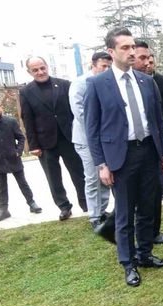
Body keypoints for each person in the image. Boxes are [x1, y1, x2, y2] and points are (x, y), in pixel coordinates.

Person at [85, 27, 163, 287]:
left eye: (133, 46)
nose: (132, 51)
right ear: (111, 52)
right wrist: (102, 164)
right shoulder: (98, 84)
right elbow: (93, 129)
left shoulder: (146, 81)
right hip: (120, 156)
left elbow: (158, 121)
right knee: (124, 214)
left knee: (148, 207)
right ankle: (128, 262)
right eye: (125, 47)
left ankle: (145, 253)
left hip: (148, 151)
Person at [20, 56, 87, 221]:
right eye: (35, 70)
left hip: (69, 138)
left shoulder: (64, 85)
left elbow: (75, 111)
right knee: (53, 178)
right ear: (29, 72)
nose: (40, 72)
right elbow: (27, 120)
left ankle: (86, 203)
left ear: (47, 67)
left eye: (42, 68)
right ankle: (64, 206)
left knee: (79, 173)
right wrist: (33, 145)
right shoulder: (26, 92)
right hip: (45, 143)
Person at [133, 40, 163, 244]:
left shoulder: (157, 81)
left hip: (154, 142)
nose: (147, 62)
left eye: (149, 58)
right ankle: (133, 235)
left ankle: (154, 232)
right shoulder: (119, 84)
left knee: (156, 190)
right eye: (142, 58)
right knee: (134, 196)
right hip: (130, 147)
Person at [69, 51, 112, 230]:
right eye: (103, 66)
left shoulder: (108, 83)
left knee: (106, 176)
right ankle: (94, 216)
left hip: (105, 138)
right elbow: (80, 113)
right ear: (93, 65)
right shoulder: (80, 84)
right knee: (93, 177)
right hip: (87, 139)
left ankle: (102, 210)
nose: (107, 70)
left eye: (109, 66)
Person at [0, 98, 42, 222]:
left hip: (13, 158)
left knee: (23, 183)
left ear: (1, 107)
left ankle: (32, 203)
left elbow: (21, 138)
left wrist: (18, 151)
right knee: (1, 187)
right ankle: (4, 210)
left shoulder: (10, 121)